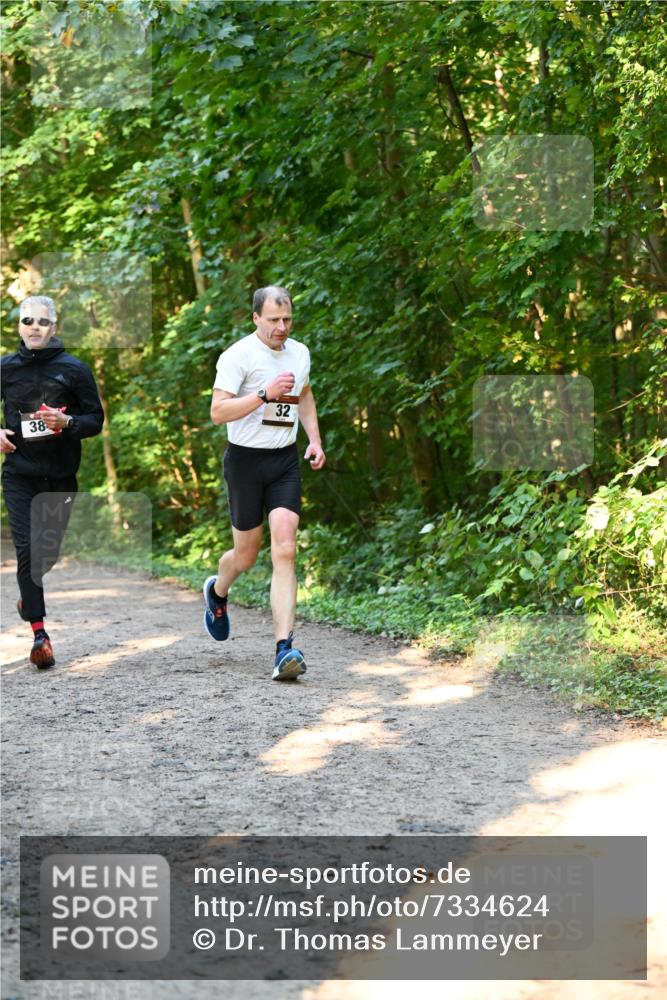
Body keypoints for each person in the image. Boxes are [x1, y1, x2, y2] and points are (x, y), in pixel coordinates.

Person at [205, 285, 325, 680]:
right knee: (246, 555)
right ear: (256, 317)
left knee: (286, 548)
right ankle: (217, 592)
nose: (282, 327)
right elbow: (218, 412)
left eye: (287, 319)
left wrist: (314, 439)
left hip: (283, 460)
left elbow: (304, 394)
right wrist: (263, 393)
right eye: (273, 320)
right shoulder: (237, 356)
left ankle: (283, 649)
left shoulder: (300, 352)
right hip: (244, 462)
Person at [0, 295, 104, 669]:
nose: (34, 327)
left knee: (45, 556)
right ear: (19, 326)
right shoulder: (5, 368)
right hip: (19, 475)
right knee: (27, 551)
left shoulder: (74, 369)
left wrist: (70, 424)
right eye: (27, 320)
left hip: (60, 478)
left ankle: (29, 601)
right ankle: (40, 635)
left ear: (54, 327)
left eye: (42, 322)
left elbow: (95, 418)